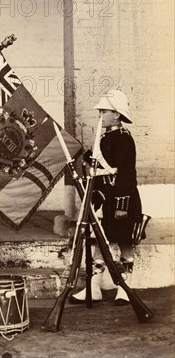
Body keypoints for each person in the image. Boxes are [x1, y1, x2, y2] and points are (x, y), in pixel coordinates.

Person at [70, 89, 145, 306]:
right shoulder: (104, 137)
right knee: (98, 242)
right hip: (102, 198)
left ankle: (124, 287)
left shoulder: (123, 139)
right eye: (100, 110)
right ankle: (93, 288)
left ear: (117, 115)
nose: (100, 114)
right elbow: (92, 160)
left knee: (124, 241)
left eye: (104, 110)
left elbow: (127, 173)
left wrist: (122, 205)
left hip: (120, 199)